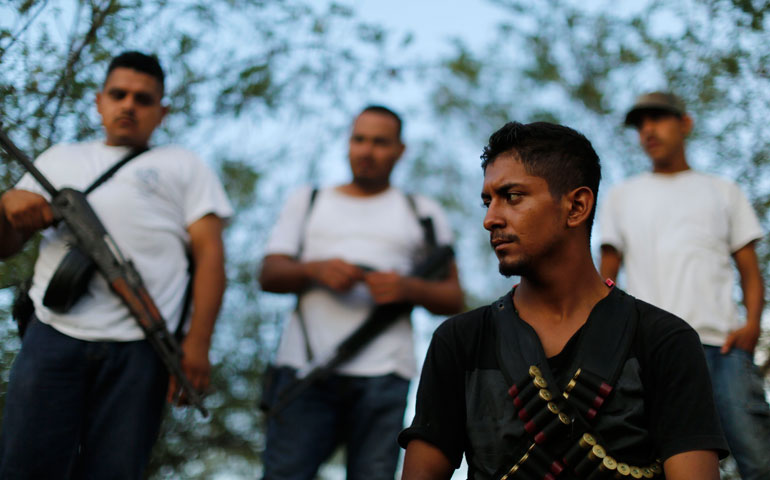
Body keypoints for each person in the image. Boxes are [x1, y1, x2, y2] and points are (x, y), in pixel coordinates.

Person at [399, 121, 727, 480]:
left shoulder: (664, 340)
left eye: (512, 196)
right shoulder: (460, 340)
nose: (490, 219)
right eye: (487, 201)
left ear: (576, 206)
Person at [0, 51, 232, 479]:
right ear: (99, 101)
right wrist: (8, 208)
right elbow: (7, 243)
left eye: (143, 99)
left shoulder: (183, 165)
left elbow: (211, 257)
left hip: (141, 348)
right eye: (118, 94)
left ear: (162, 112)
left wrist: (198, 343)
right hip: (53, 336)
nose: (128, 105)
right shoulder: (58, 158)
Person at [258, 105, 464, 480]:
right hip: (304, 368)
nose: (367, 151)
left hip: (385, 372)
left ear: (401, 150)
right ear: (348, 142)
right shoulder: (309, 200)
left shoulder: (420, 210)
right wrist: (315, 270)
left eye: (380, 142)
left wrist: (407, 287)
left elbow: (453, 298)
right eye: (359, 139)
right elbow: (269, 273)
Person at [598, 91, 770, 479]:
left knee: (758, 458)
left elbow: (749, 269)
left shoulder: (723, 190)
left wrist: (752, 324)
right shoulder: (622, 196)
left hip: (721, 348)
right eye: (640, 124)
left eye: (657, 118)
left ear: (685, 123)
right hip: (648, 354)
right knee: (650, 464)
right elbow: (606, 273)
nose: (648, 130)